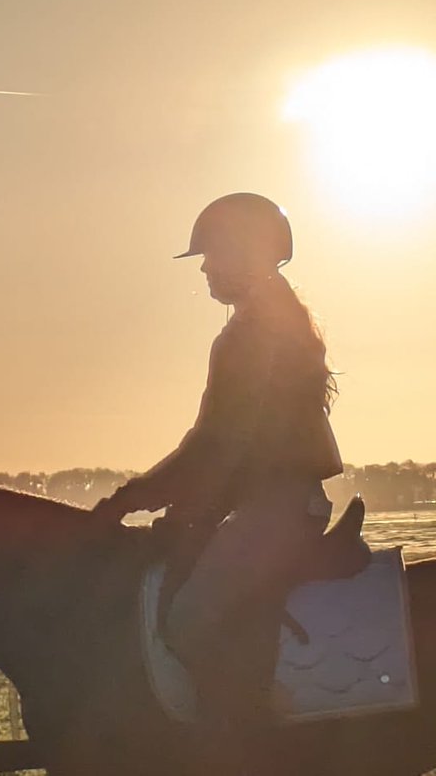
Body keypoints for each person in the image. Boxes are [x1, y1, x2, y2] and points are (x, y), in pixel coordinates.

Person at [93, 192, 343, 755]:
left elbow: (219, 440)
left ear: (243, 252)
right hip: (265, 503)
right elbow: (217, 441)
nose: (204, 267)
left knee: (190, 621)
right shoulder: (262, 321)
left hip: (277, 507)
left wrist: (133, 496)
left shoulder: (259, 330)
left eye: (211, 254)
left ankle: (251, 754)